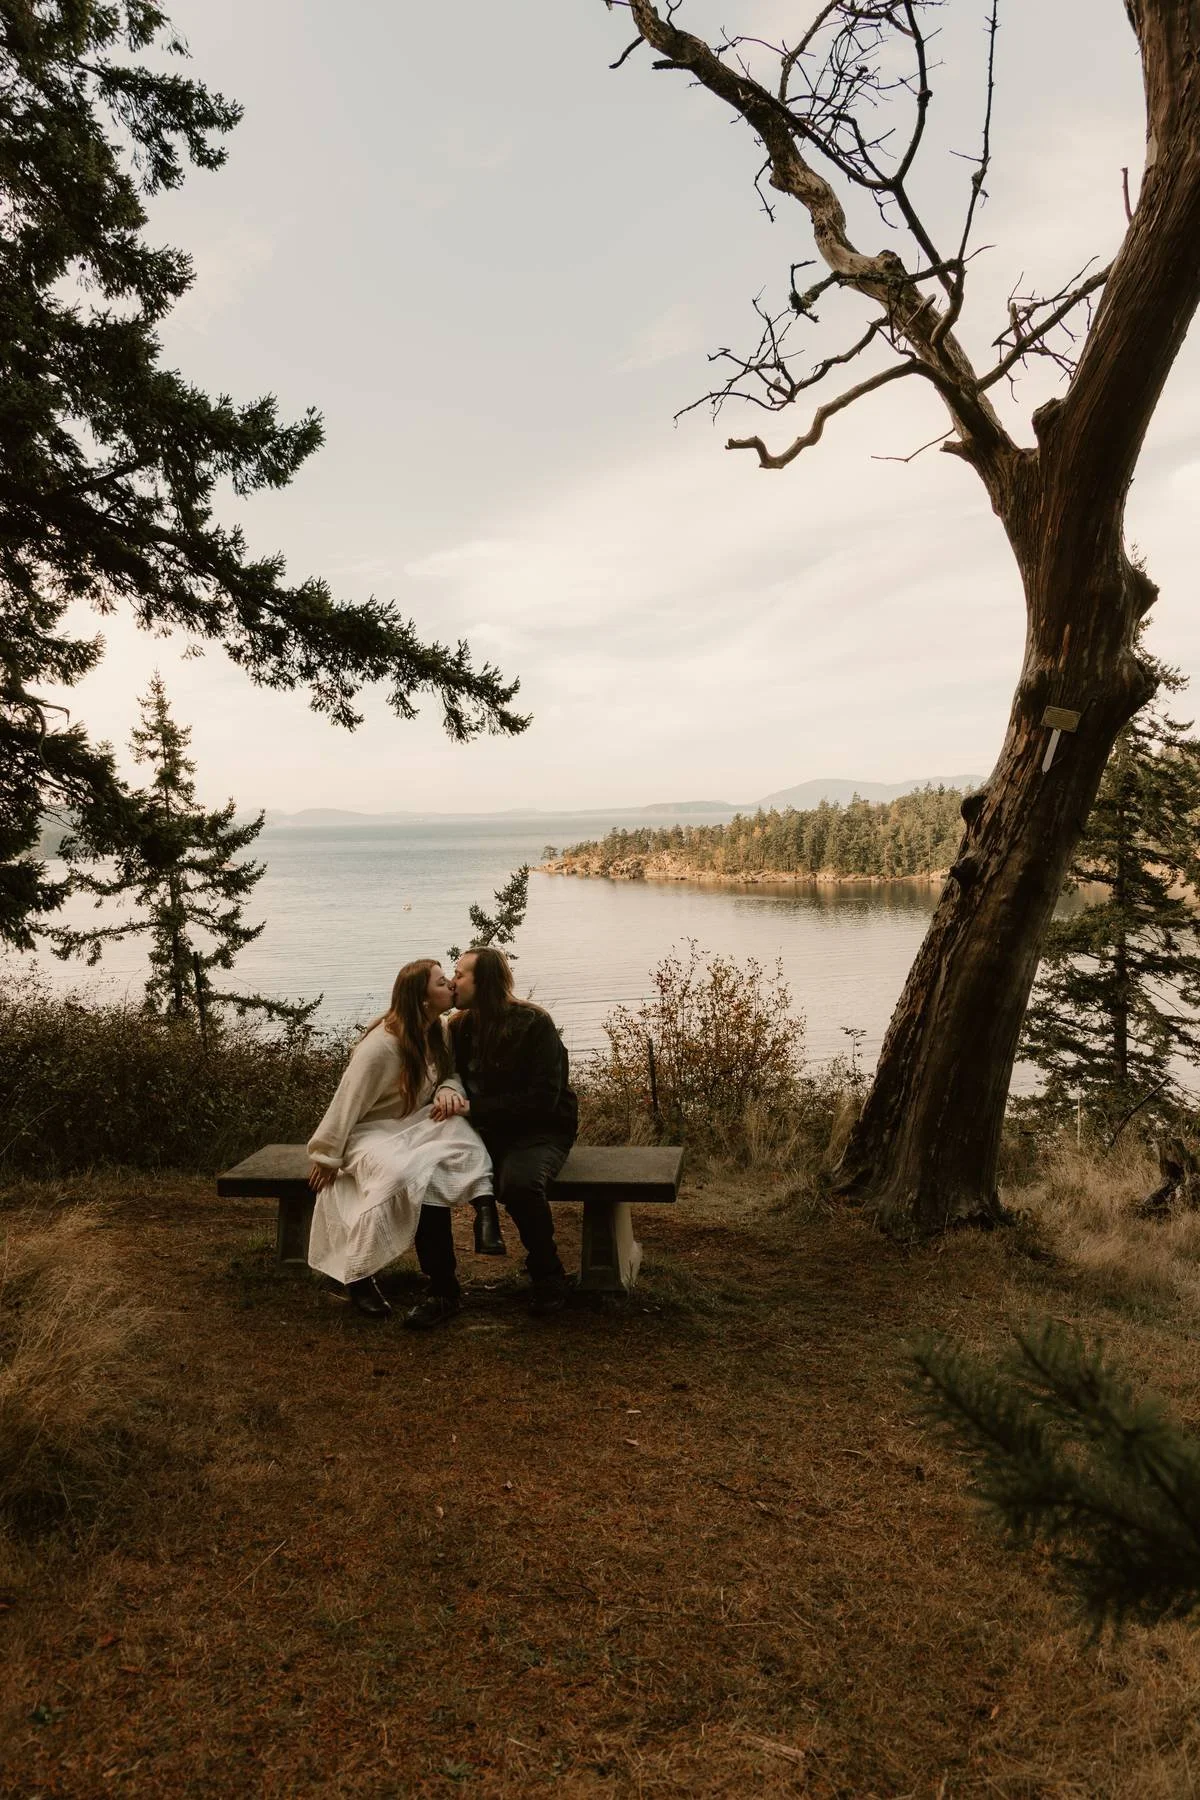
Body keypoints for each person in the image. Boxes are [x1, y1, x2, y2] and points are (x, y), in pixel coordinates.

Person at [306, 958, 495, 1317]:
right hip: (369, 1134)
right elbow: (347, 1101)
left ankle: (449, 1274)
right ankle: (359, 1274)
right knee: (402, 1175)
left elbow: (450, 1072)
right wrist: (327, 1155)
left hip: (411, 1125)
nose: (451, 986)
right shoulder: (381, 1046)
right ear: (422, 999)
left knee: (451, 1139)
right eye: (442, 983)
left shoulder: (438, 1029)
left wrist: (447, 1090)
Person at [406, 945, 577, 1327]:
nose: (453, 981)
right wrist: (449, 1091)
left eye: (461, 975)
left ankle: (549, 1275)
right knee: (426, 1173)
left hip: (539, 1131)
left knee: (517, 1183)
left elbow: (543, 1099)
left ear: (484, 982)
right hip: (482, 1131)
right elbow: (448, 1075)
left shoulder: (535, 1023)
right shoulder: (458, 1027)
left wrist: (474, 1108)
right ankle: (442, 1289)